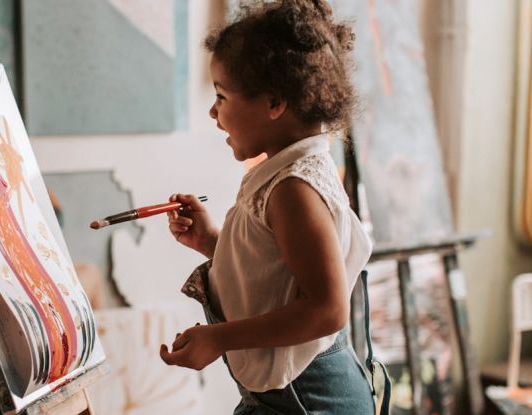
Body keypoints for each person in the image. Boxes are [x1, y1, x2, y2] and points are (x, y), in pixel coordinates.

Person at [159, 1, 381, 413]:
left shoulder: (294, 189)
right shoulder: (285, 173)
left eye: (221, 96)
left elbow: (328, 309)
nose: (213, 111)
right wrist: (212, 242)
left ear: (275, 102)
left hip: (310, 401)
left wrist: (220, 337)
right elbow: (276, 272)